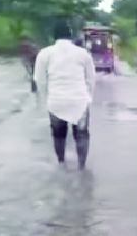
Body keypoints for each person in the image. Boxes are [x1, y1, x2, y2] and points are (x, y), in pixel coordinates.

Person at [34, 22, 96, 170]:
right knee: (81, 135)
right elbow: (91, 79)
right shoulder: (83, 54)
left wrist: (46, 99)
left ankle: (62, 165)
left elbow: (39, 79)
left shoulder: (45, 53)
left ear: (53, 37)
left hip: (56, 101)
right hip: (79, 101)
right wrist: (89, 98)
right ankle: (82, 167)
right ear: (71, 36)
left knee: (58, 135)